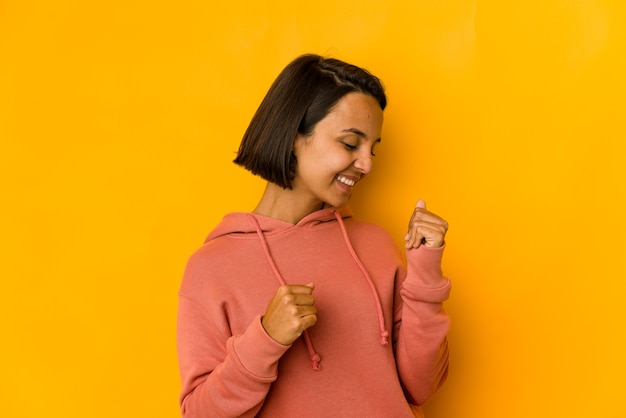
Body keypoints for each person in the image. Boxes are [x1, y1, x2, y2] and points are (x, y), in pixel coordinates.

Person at [177, 54, 451, 418]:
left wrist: (426, 277)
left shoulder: (374, 244)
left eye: (373, 148)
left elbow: (421, 385)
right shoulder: (212, 268)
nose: (367, 164)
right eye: (351, 144)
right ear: (293, 136)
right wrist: (265, 339)